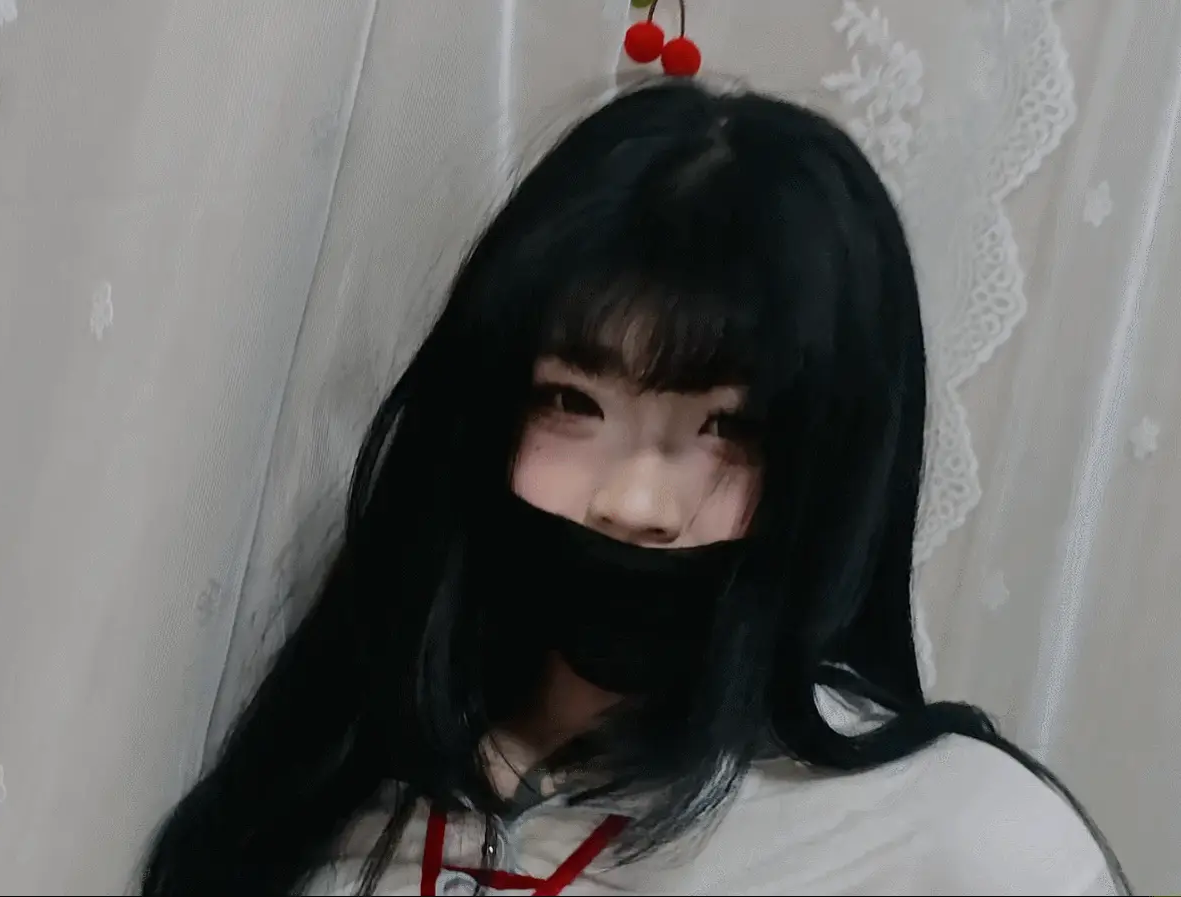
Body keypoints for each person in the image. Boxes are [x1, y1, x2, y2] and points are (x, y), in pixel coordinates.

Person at [139, 81, 1131, 896]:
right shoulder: (328, 782)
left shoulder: (965, 844)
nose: (635, 504)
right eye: (570, 402)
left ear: (833, 469)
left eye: (728, 430)